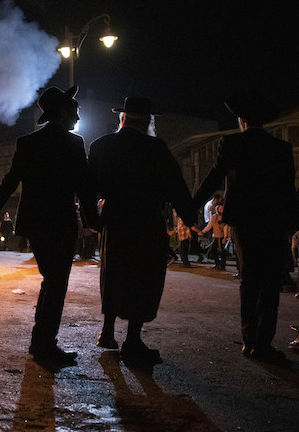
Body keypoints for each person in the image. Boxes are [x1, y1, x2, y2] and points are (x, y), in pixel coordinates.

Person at [0, 85, 99, 364]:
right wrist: (95, 222)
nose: (79, 117)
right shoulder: (74, 143)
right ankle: (44, 345)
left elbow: (9, 183)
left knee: (51, 280)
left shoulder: (27, 143)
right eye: (75, 110)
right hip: (60, 225)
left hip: (34, 225)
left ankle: (41, 340)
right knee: (56, 284)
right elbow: (84, 189)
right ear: (63, 111)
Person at [192, 89, 299, 364]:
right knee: (270, 282)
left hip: (244, 222)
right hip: (273, 222)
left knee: (249, 279)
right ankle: (263, 342)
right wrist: (294, 223)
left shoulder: (232, 144)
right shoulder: (281, 148)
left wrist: (190, 205)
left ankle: (248, 340)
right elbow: (289, 191)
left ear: (241, 120)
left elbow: (213, 177)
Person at [88, 97, 195, 364]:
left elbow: (87, 189)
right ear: (148, 121)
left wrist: (92, 220)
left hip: (114, 220)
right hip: (147, 222)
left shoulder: (101, 146)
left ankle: (107, 331)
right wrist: (189, 215)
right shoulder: (156, 148)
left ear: (122, 118)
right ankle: (133, 340)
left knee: (113, 273)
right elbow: (176, 187)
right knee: (143, 278)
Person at [196, 204, 228, 270]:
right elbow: (209, 225)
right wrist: (203, 231)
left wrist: (225, 237)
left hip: (221, 237)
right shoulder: (214, 217)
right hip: (215, 236)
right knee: (213, 250)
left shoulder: (224, 217)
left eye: (222, 209)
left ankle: (222, 266)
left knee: (222, 251)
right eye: (220, 209)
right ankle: (217, 264)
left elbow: (226, 228)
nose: (221, 210)